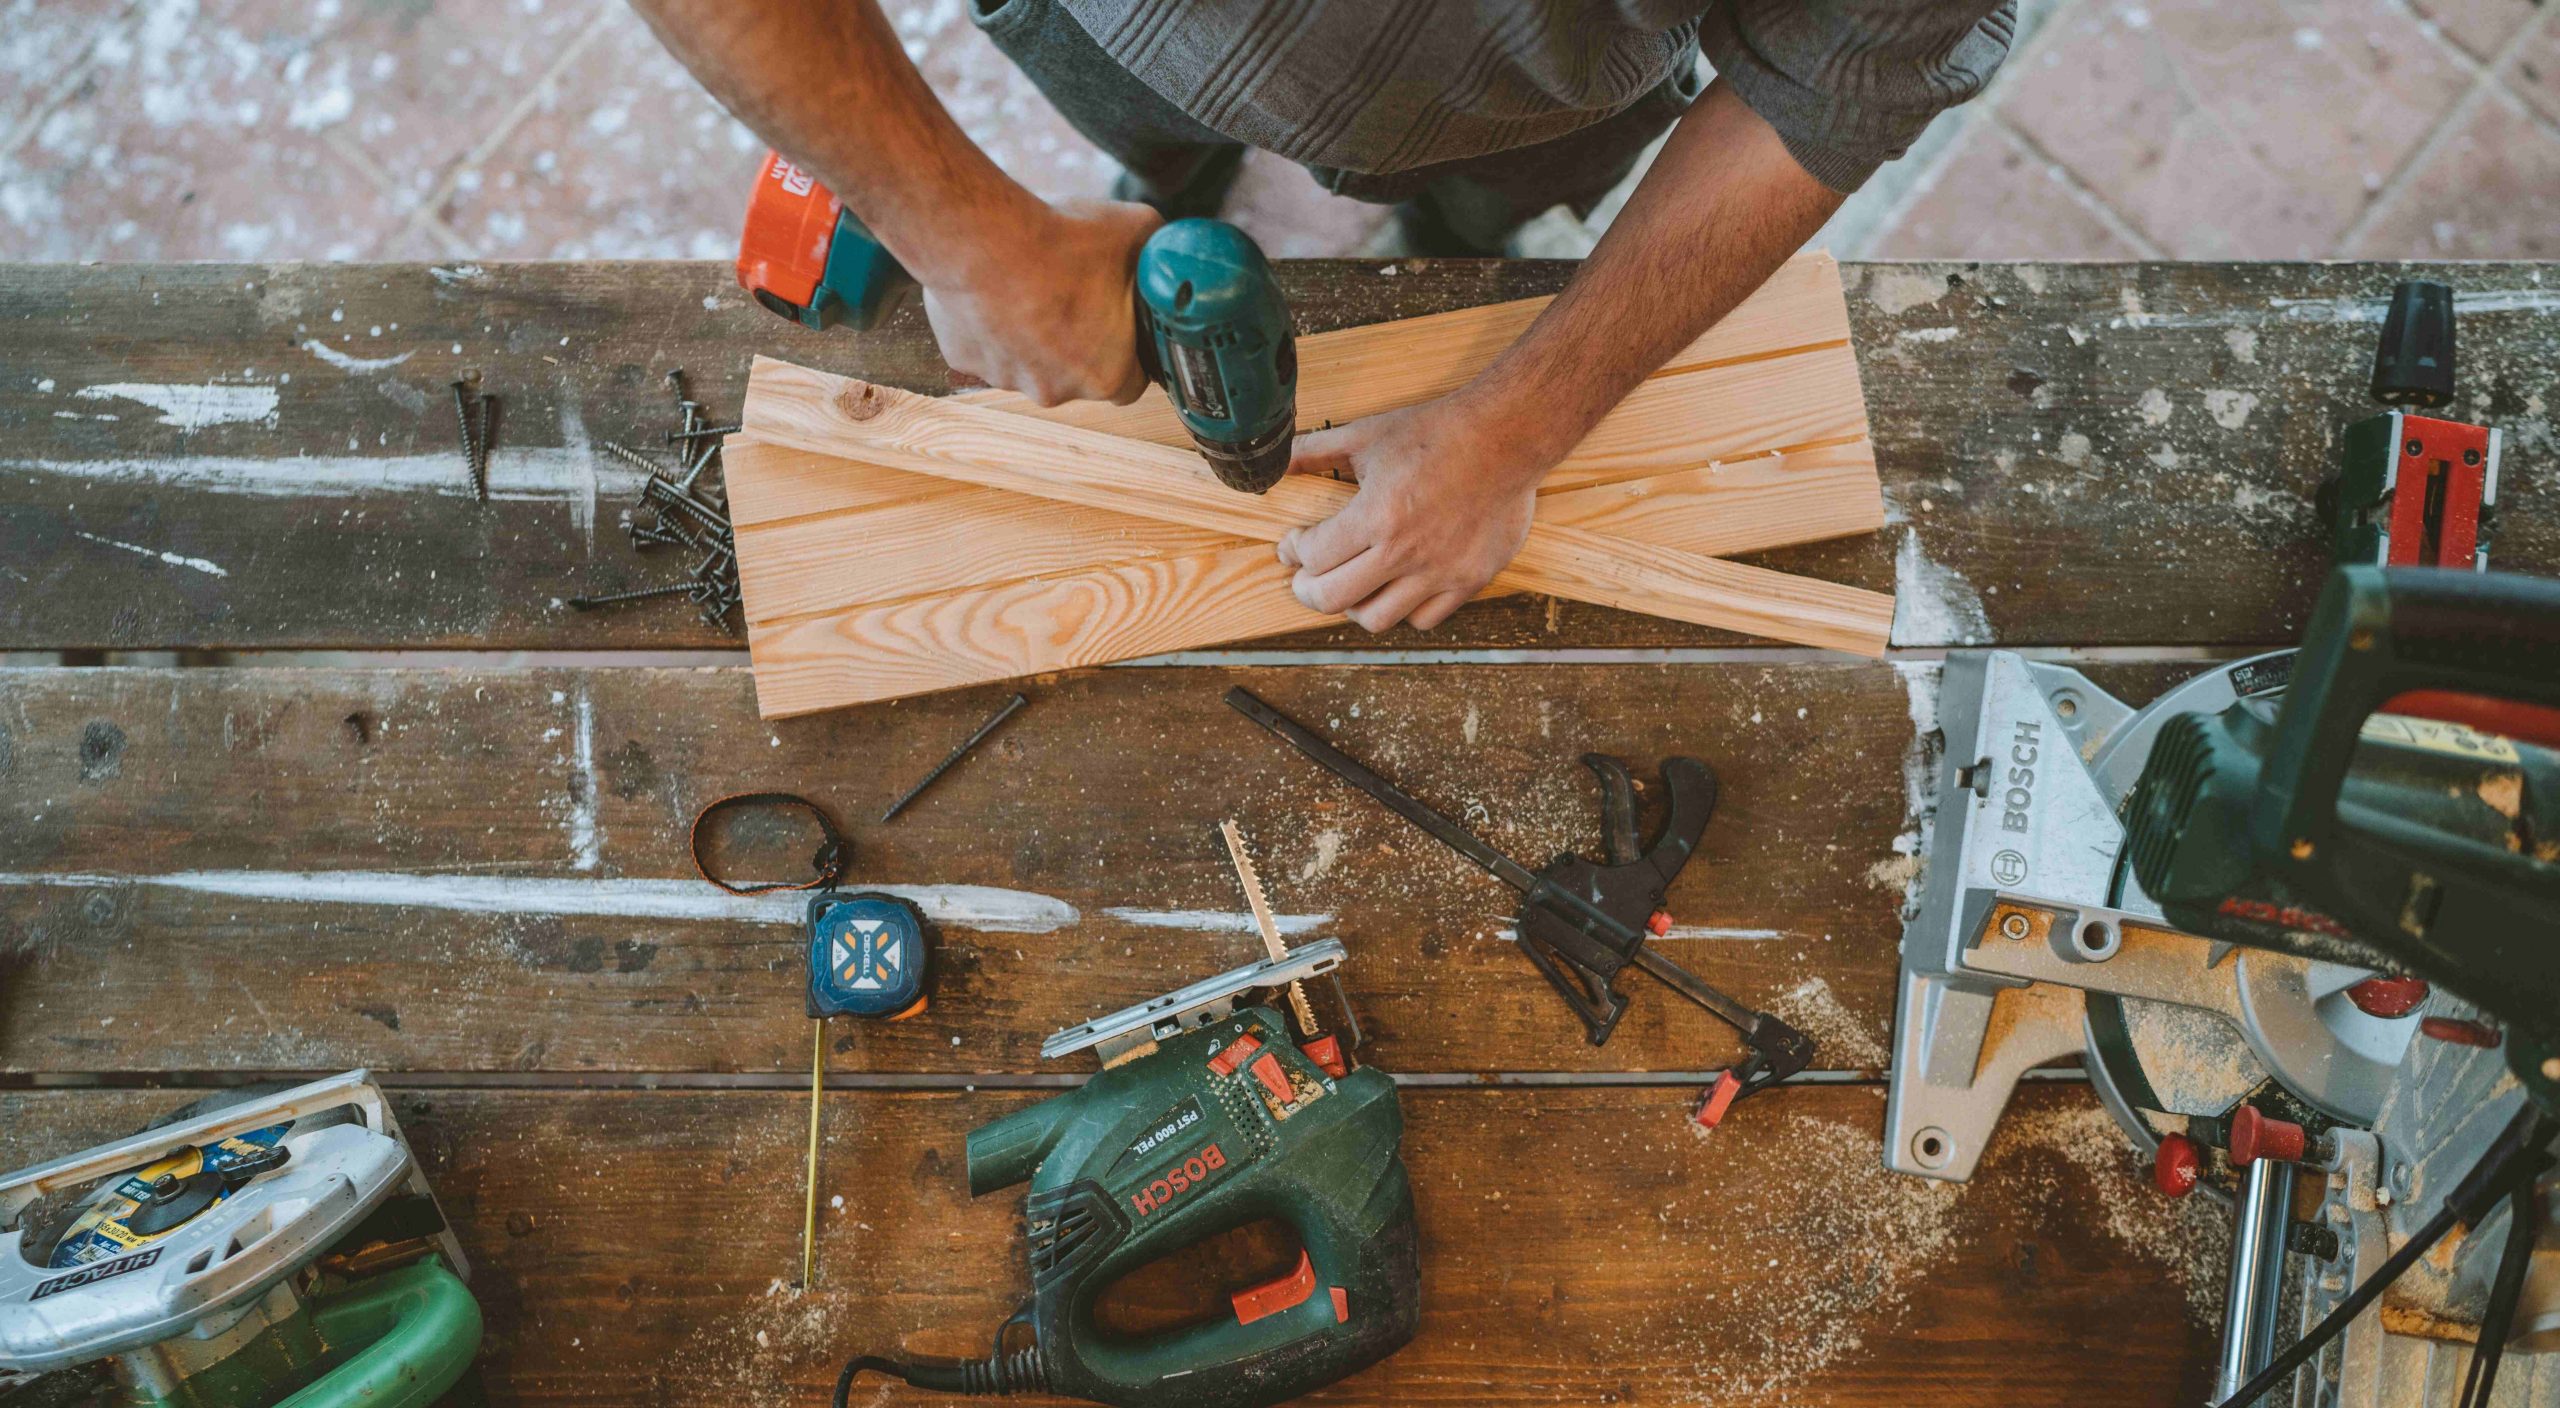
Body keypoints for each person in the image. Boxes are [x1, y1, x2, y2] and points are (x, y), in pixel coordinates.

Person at [636, 0, 2013, 632]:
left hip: (1536, 94)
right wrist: (968, 240)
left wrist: (1516, 426)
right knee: (1151, 137)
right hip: (1109, 26)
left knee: (1473, 217)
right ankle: (1176, 173)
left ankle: (1437, 217)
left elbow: (1831, 85)